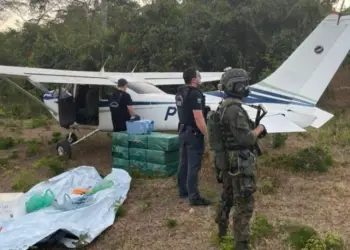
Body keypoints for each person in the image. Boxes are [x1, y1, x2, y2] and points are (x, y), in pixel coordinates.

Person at [212, 68, 267, 250]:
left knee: (226, 197)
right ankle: (241, 245)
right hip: (239, 165)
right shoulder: (234, 110)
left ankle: (221, 232)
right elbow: (247, 139)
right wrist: (259, 128)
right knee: (243, 205)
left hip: (228, 162)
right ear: (237, 86)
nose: (246, 87)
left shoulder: (223, 106)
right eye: (244, 84)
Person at [175, 67, 210, 206]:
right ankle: (194, 197)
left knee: (183, 163)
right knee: (193, 166)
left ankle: (183, 190)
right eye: (199, 76)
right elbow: (198, 117)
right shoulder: (195, 94)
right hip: (193, 133)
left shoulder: (180, 92)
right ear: (194, 79)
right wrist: (207, 134)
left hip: (182, 130)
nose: (200, 78)